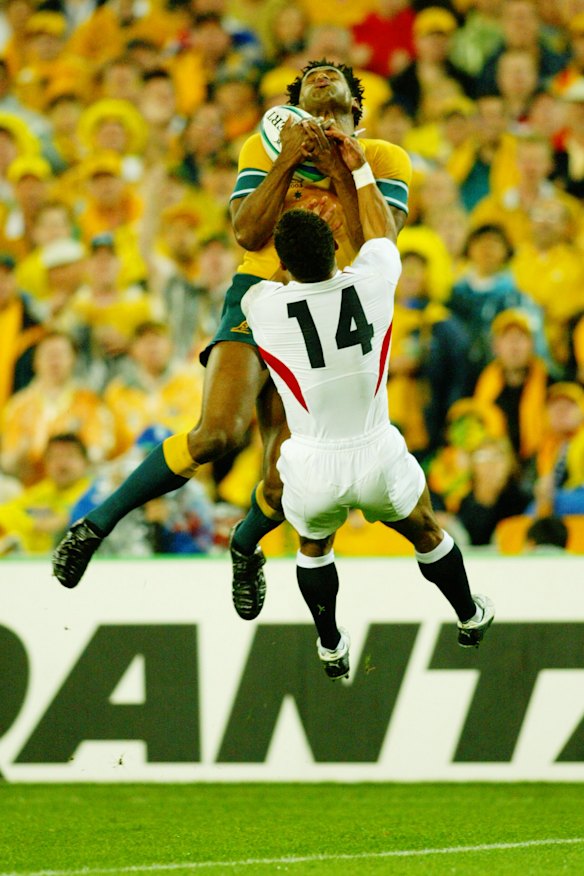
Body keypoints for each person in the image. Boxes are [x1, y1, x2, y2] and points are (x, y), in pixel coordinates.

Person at [52, 59, 413, 619]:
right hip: (259, 291)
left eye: (332, 72)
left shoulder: (386, 158)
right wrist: (291, 156)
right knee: (218, 433)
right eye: (310, 74)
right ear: (294, 101)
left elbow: (380, 243)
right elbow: (246, 231)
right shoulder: (264, 145)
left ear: (354, 101)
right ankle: (98, 523)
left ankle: (243, 546)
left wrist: (345, 167)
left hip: (326, 308)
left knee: (281, 477)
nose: (321, 74)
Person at [240, 129, 494, 679]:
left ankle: (330, 643)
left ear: (283, 265)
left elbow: (254, 260)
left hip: (311, 460)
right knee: (426, 529)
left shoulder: (262, 305)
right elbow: (380, 233)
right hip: (376, 448)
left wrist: (283, 168)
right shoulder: (375, 283)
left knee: (313, 544)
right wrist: (356, 170)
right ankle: (469, 613)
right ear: (335, 248)